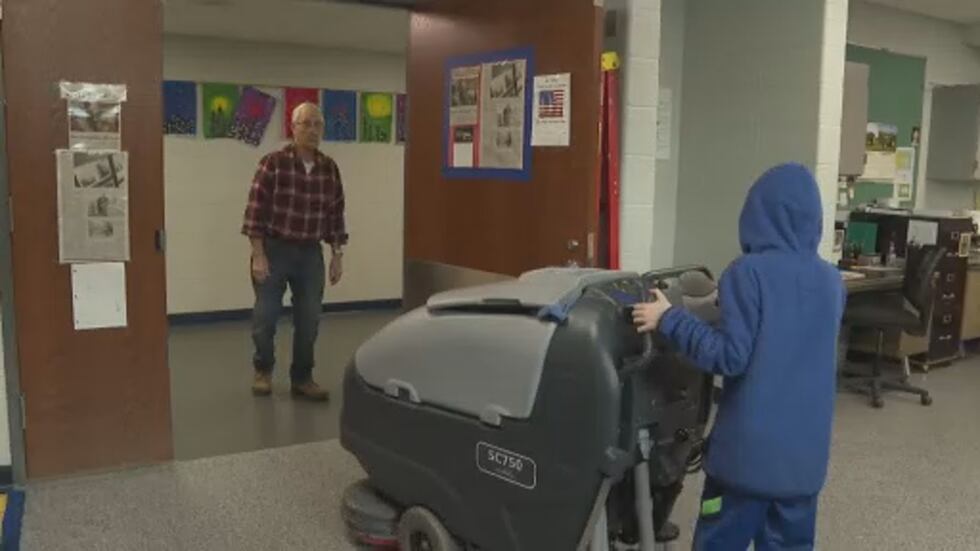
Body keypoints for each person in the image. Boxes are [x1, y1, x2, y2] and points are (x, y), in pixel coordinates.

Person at [632, 163, 845, 550]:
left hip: (746, 464)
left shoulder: (746, 273)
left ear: (756, 216)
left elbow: (730, 357)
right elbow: (786, 336)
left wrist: (669, 319)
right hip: (803, 466)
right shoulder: (832, 281)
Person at [242, 102, 347, 401]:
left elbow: (335, 216)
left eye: (318, 125)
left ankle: (302, 378)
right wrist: (259, 255)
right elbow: (254, 213)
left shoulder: (329, 168)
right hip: (274, 249)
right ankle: (262, 369)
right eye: (306, 124)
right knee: (266, 316)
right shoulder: (273, 163)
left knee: (310, 318)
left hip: (310, 253)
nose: (313, 130)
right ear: (293, 127)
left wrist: (337, 255)